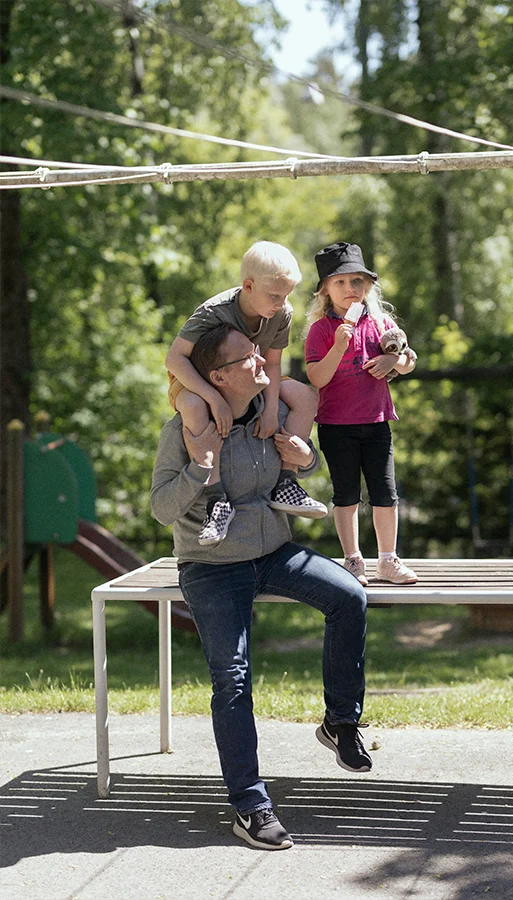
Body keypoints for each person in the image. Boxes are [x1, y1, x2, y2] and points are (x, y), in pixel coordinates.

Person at [151, 323, 371, 851]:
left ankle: (341, 722)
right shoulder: (183, 428)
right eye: (248, 357)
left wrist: (307, 457)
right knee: (232, 678)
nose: (261, 361)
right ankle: (250, 805)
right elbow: (161, 510)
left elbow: (295, 468)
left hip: (273, 553)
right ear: (219, 376)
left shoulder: (264, 414)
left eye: (256, 352)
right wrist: (198, 473)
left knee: (350, 597)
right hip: (211, 565)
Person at [165, 241, 327, 547]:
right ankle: (217, 501)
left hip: (255, 373)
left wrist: (268, 410)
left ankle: (286, 482)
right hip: (198, 379)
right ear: (248, 285)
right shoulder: (214, 312)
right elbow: (174, 360)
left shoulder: (282, 313)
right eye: (275, 295)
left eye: (287, 295)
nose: (282, 302)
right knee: (193, 405)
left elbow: (274, 362)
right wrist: (213, 398)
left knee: (307, 397)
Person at [304, 241, 419, 587]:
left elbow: (409, 359)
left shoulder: (381, 322)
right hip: (337, 425)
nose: (350, 290)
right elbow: (316, 377)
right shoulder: (321, 331)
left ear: (367, 286)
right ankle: (353, 560)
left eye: (357, 282)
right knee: (346, 494)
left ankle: (388, 559)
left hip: (377, 421)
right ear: (325, 289)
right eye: (340, 283)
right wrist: (339, 345)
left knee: (386, 493)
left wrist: (393, 361)